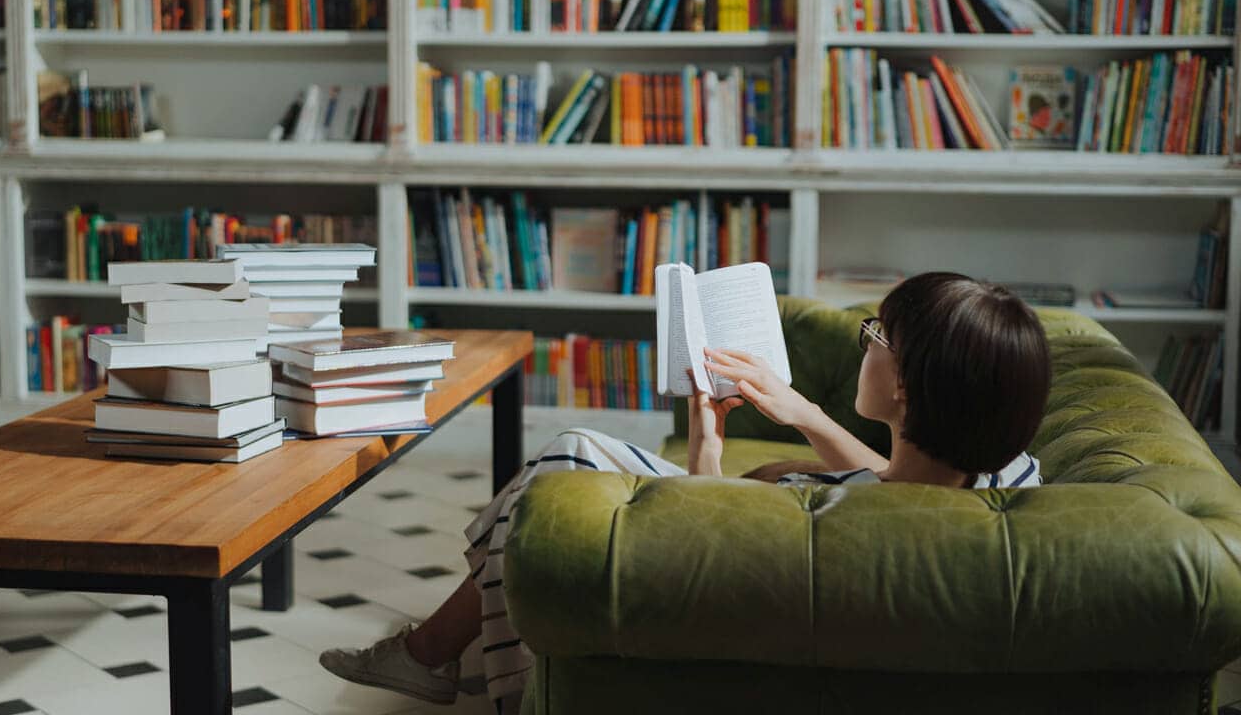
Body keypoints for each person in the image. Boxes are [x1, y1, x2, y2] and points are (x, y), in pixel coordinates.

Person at [318, 271, 1052, 712]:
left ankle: (471, 672)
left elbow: (706, 562)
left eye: (876, 333)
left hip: (721, 556)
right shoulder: (1007, 475)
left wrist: (707, 448)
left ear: (900, 384)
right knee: (573, 453)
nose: (865, 340)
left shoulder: (841, 526)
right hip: (774, 522)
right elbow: (899, 482)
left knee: (558, 475)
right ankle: (432, 652)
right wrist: (802, 415)